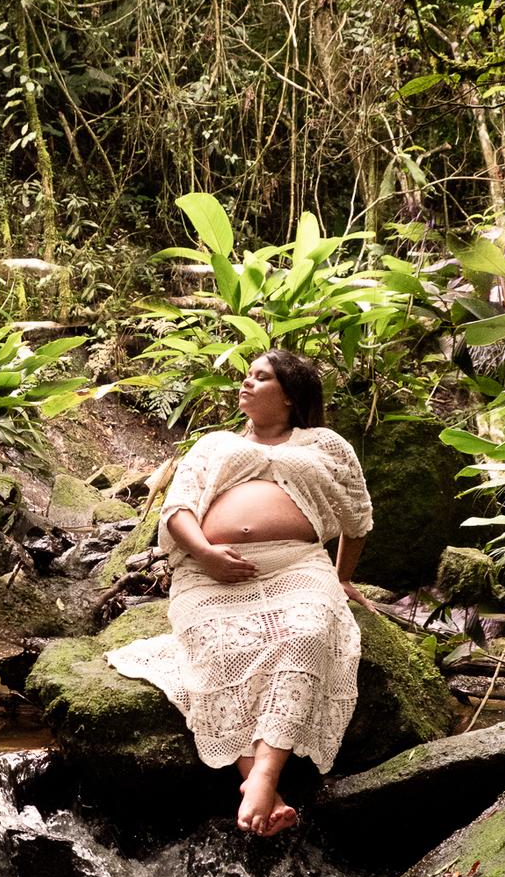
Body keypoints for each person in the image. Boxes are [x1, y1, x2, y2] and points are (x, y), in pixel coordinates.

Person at [106, 350, 377, 836]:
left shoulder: (326, 444)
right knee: (216, 645)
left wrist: (340, 577)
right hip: (210, 572)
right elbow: (177, 509)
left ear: (291, 395)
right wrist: (206, 553)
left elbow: (357, 518)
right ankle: (262, 791)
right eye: (246, 376)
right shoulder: (214, 444)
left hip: (296, 565)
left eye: (261, 377)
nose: (246, 384)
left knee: (310, 633)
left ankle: (263, 776)